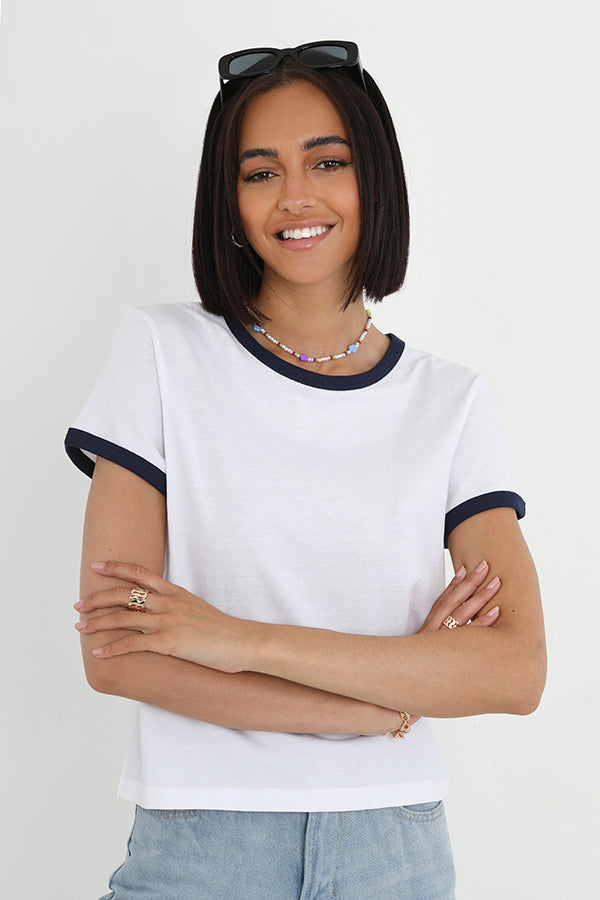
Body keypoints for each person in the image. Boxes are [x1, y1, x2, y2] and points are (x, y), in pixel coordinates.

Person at [65, 41, 546, 900]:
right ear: (230, 201)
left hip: (395, 849)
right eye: (260, 172)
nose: (295, 196)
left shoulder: (450, 401)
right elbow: (117, 650)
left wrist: (235, 639)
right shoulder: (161, 353)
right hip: (203, 847)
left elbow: (513, 670)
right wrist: (371, 702)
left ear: (376, 180)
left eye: (328, 161)